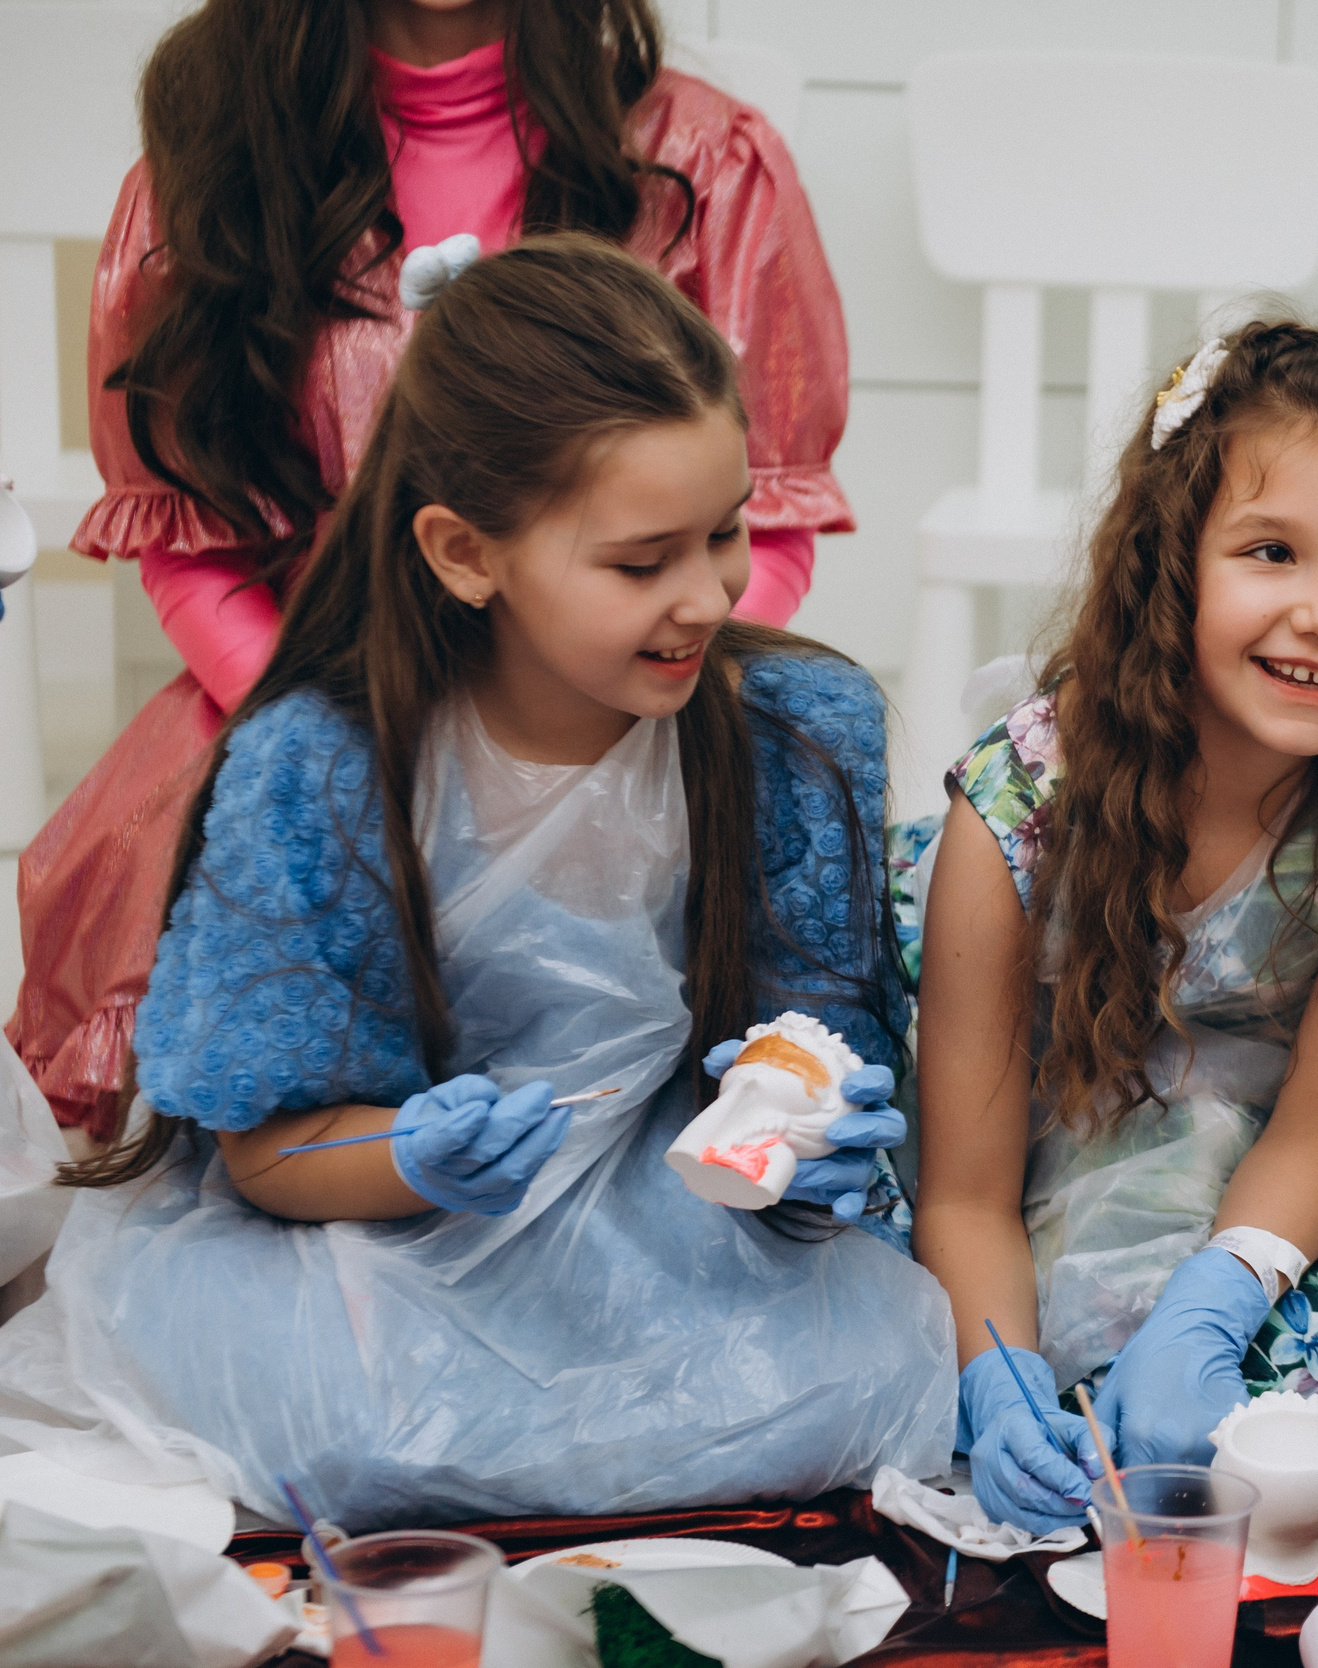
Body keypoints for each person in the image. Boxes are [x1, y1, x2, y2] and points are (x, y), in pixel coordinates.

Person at [0, 237, 948, 1530]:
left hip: (677, 1228)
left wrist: (810, 1139)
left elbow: (815, 1042)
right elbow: (267, 1151)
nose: (706, 594)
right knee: (345, 1429)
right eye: (641, 561)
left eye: (725, 532)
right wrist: (412, 1156)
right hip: (381, 1237)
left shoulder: (796, 730)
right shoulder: (322, 768)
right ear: (462, 551)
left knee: (868, 1369)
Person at [8, 0, 852, 1141]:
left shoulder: (707, 157)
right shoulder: (211, 159)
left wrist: (641, 667)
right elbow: (187, 539)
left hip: (626, 695)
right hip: (307, 691)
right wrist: (359, 732)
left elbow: (766, 505)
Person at [901, 323, 1318, 1533]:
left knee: (1276, 1407)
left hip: (1302, 1146)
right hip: (1079, 1099)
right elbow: (968, 1191)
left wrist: (1219, 1294)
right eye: (1270, 551)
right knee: (995, 1352)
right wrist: (995, 1369)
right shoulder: (1021, 804)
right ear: (1169, 567)